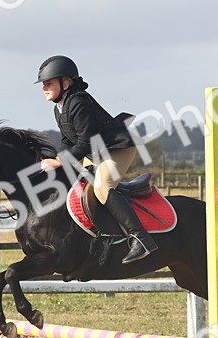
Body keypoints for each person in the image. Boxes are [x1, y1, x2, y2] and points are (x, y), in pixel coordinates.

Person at [35, 54, 157, 264]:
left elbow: (84, 142)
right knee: (78, 187)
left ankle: (141, 239)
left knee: (102, 187)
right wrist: (57, 159)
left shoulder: (78, 102)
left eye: (49, 83)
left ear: (66, 83)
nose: (44, 88)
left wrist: (60, 161)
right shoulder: (59, 108)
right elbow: (68, 140)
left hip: (117, 149)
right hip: (95, 152)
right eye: (43, 84)